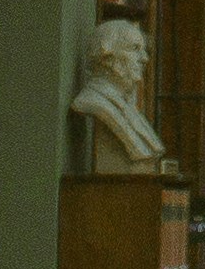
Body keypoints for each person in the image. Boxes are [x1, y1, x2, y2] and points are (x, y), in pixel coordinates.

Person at [73, 15, 174, 171]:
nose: (144, 58)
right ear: (107, 56)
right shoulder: (92, 101)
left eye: (143, 50)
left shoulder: (128, 103)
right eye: (135, 49)